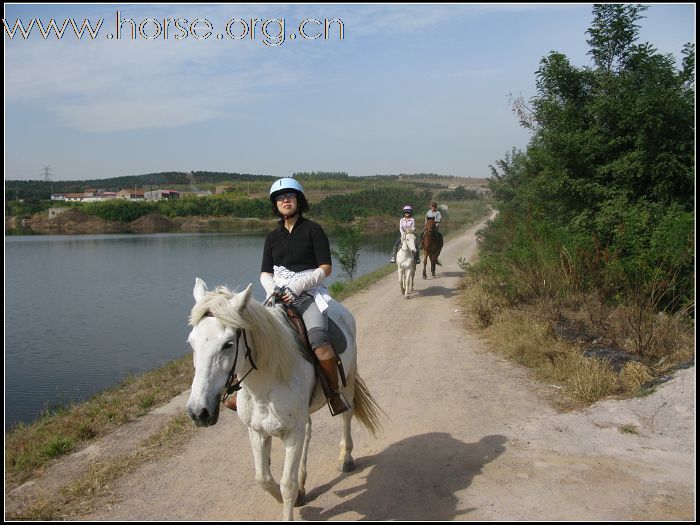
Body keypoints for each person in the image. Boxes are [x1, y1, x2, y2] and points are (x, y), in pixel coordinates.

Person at [223, 177, 351, 416]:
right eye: (280, 198)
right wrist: (274, 289)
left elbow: (325, 268)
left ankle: (333, 393)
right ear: (276, 205)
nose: (285, 201)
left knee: (320, 343)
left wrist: (297, 287)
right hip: (277, 295)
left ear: (298, 201)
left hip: (308, 295)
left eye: (289, 196)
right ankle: (239, 394)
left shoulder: (314, 230)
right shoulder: (272, 237)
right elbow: (265, 272)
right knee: (246, 334)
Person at [423, 201, 443, 265]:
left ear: (436, 207)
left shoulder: (438, 213)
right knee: (422, 234)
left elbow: (439, 220)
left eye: (434, 206)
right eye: (432, 206)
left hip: (435, 227)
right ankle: (421, 243)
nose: (433, 207)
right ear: (431, 207)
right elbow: (426, 219)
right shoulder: (428, 212)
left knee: (439, 235)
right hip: (428, 226)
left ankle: (440, 244)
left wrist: (433, 222)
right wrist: (426, 224)